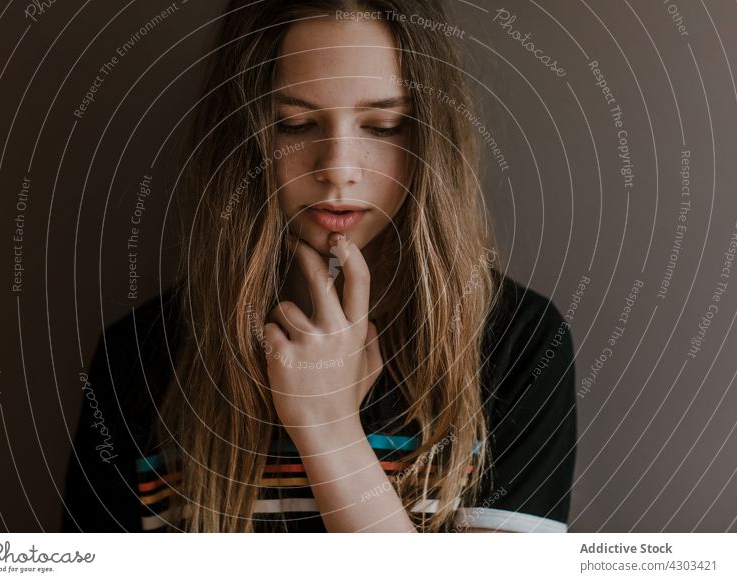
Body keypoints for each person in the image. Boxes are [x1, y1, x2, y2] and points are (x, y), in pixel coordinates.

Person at [60, 0, 576, 533]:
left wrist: (327, 428)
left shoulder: (518, 341)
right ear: (246, 134)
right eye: (296, 124)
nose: (338, 170)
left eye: (382, 126)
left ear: (429, 135)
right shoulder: (140, 354)